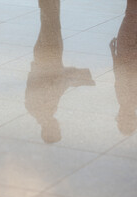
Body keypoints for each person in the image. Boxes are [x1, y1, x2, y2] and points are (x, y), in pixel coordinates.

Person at [25, 0, 94, 143]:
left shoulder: (40, 110)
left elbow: (50, 82)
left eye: (56, 129)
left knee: (51, 20)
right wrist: (74, 78)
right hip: (48, 58)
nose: (59, 126)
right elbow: (55, 83)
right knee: (52, 20)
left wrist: (72, 78)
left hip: (47, 56)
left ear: (49, 129)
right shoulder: (43, 111)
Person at [110, 0, 137, 135]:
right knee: (132, 14)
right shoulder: (124, 99)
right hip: (126, 51)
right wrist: (114, 54)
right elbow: (119, 73)